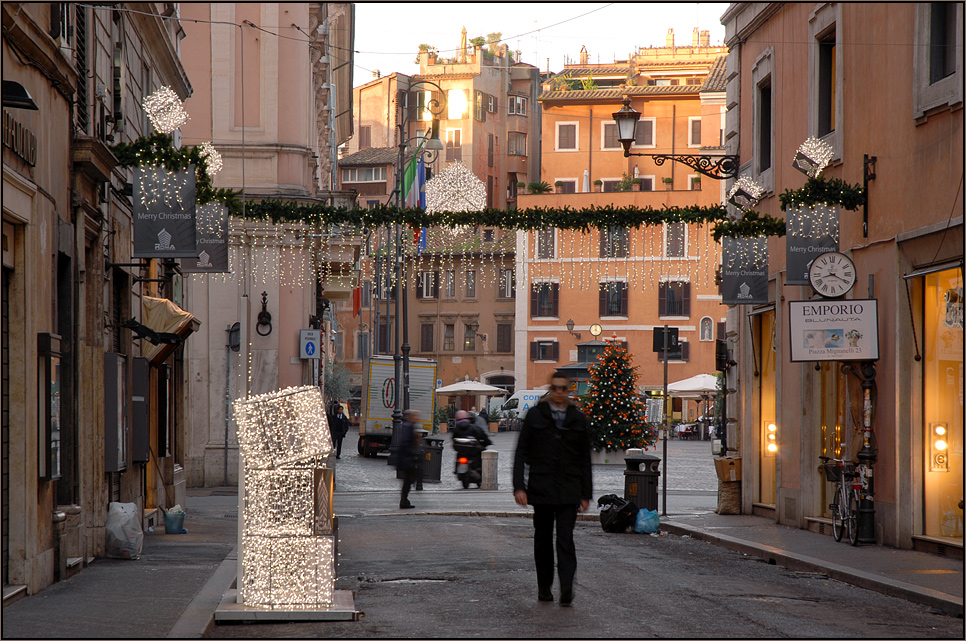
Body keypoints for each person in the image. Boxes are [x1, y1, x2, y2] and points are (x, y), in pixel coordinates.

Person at [513, 373, 592, 607]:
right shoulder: (535, 415)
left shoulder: (578, 418)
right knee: (543, 540)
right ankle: (544, 587)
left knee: (565, 539)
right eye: (555, 388)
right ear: (550, 389)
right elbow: (521, 453)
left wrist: (586, 494)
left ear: (568, 390)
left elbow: (584, 459)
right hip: (542, 488)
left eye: (563, 389)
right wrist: (519, 486)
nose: (559, 392)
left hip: (569, 488)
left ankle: (567, 587)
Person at [393, 409, 424, 509]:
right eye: (416, 416)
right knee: (409, 480)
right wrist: (413, 453)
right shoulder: (409, 426)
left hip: (405, 458)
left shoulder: (407, 425)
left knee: (408, 480)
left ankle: (404, 500)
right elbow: (405, 442)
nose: (417, 419)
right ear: (411, 417)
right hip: (407, 458)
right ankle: (404, 500)